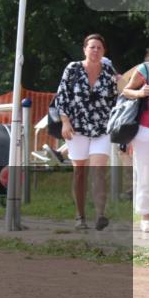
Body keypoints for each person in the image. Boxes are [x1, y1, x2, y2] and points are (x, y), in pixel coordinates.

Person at [53, 33, 118, 230]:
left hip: (102, 127)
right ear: (84, 49)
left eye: (99, 47)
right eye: (92, 47)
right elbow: (62, 97)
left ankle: (100, 215)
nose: (95, 50)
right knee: (79, 172)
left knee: (98, 170)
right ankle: (80, 216)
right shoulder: (72, 69)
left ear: (104, 52)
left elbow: (117, 97)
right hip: (77, 128)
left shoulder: (109, 71)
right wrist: (64, 122)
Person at [122, 45, 149, 233]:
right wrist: (141, 93)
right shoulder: (146, 69)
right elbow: (126, 91)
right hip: (146, 130)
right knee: (145, 174)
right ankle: (145, 215)